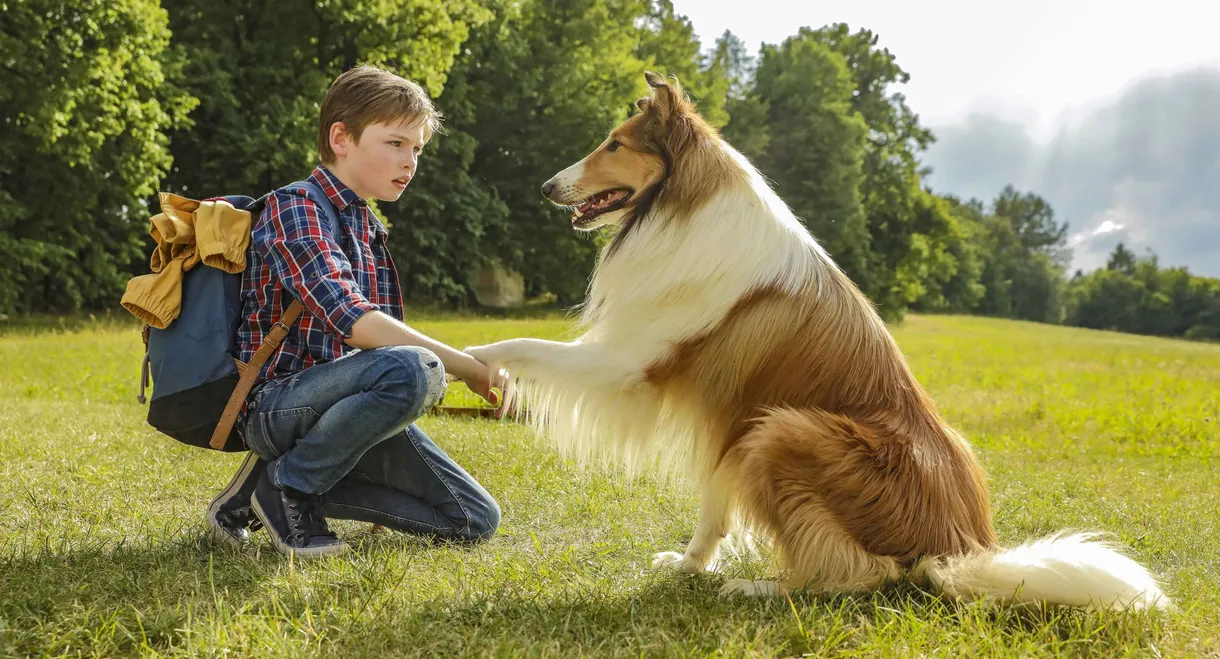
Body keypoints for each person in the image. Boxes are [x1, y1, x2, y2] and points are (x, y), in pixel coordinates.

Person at [204, 65, 507, 557]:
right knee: (416, 367)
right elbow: (359, 324)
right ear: (341, 137)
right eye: (395, 144)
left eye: (417, 149)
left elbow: (382, 355)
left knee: (472, 519)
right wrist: (470, 368)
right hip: (275, 406)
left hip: (338, 405)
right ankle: (289, 487)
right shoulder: (295, 207)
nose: (409, 162)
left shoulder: (369, 228)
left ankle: (252, 496)